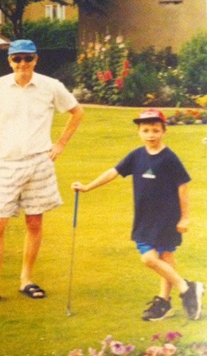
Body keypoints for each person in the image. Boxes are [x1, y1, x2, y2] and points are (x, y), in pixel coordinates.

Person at [0, 39, 84, 305]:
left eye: (28, 58)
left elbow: (77, 112)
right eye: (17, 59)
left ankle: (26, 280)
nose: (22, 64)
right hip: (8, 164)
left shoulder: (51, 86)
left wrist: (59, 144)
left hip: (39, 163)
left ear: (36, 59)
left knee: (34, 223)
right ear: (10, 61)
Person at [72, 109, 205, 321]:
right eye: (145, 130)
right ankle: (187, 287)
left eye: (155, 130)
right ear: (139, 132)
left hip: (167, 218)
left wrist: (185, 217)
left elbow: (183, 187)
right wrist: (88, 187)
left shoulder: (169, 158)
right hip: (144, 218)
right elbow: (113, 172)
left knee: (162, 257)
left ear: (164, 131)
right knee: (150, 258)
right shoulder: (136, 155)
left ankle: (165, 300)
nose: (150, 134)